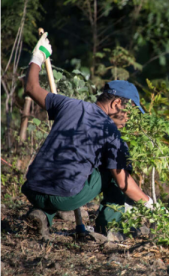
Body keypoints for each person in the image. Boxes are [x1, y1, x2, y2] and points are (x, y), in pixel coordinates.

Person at [22, 33, 153, 238]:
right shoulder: (111, 132)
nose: (129, 119)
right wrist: (151, 205)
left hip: (32, 188)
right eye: (130, 112)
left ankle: (41, 214)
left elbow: (31, 87)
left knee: (54, 192)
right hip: (64, 198)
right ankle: (107, 228)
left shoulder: (67, 104)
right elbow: (123, 183)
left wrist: (37, 57)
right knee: (113, 170)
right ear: (117, 104)